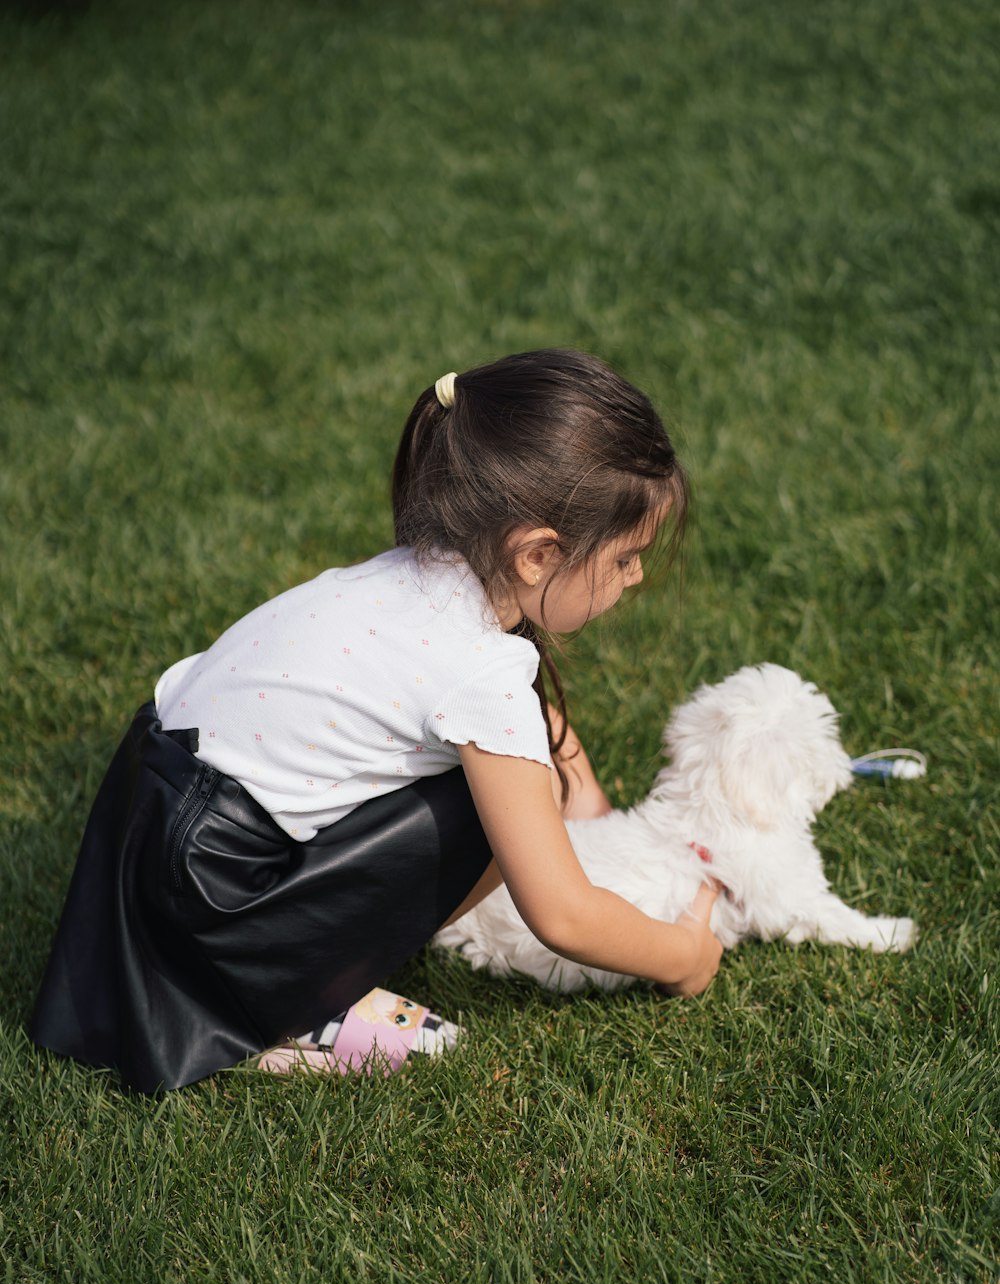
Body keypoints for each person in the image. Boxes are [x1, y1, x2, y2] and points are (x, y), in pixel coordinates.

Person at [30, 349, 722, 1092]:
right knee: (503, 808)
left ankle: (277, 971)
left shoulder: (421, 573)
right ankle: (299, 1003)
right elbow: (563, 914)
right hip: (215, 906)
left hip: (151, 831)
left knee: (522, 779)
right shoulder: (481, 671)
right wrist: (685, 956)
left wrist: (578, 787)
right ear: (538, 554)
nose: (637, 577)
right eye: (626, 559)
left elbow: (529, 717)